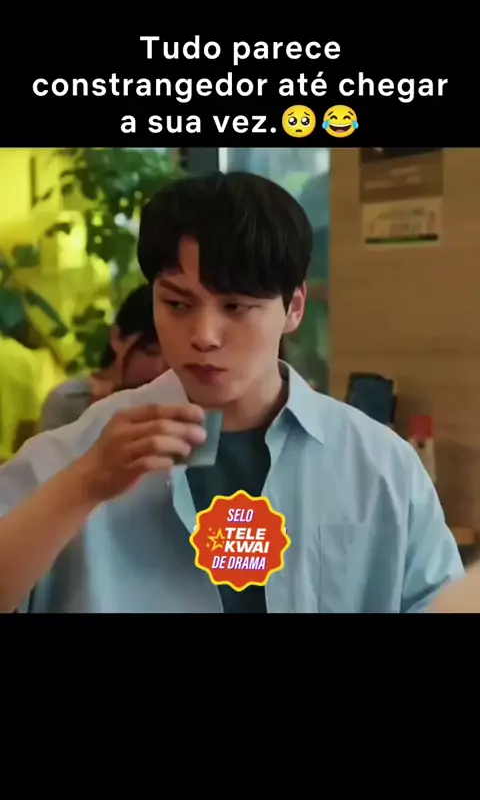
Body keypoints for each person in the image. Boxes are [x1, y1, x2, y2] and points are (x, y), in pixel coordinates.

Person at [0, 172, 464, 613]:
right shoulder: (75, 455)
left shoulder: (378, 464)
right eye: (177, 303)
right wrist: (84, 486)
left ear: (293, 308)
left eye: (236, 306)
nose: (203, 335)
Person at [39, 284, 169, 432]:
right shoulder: (72, 400)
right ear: (116, 337)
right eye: (150, 352)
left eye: (171, 357)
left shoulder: (176, 400)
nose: (159, 367)